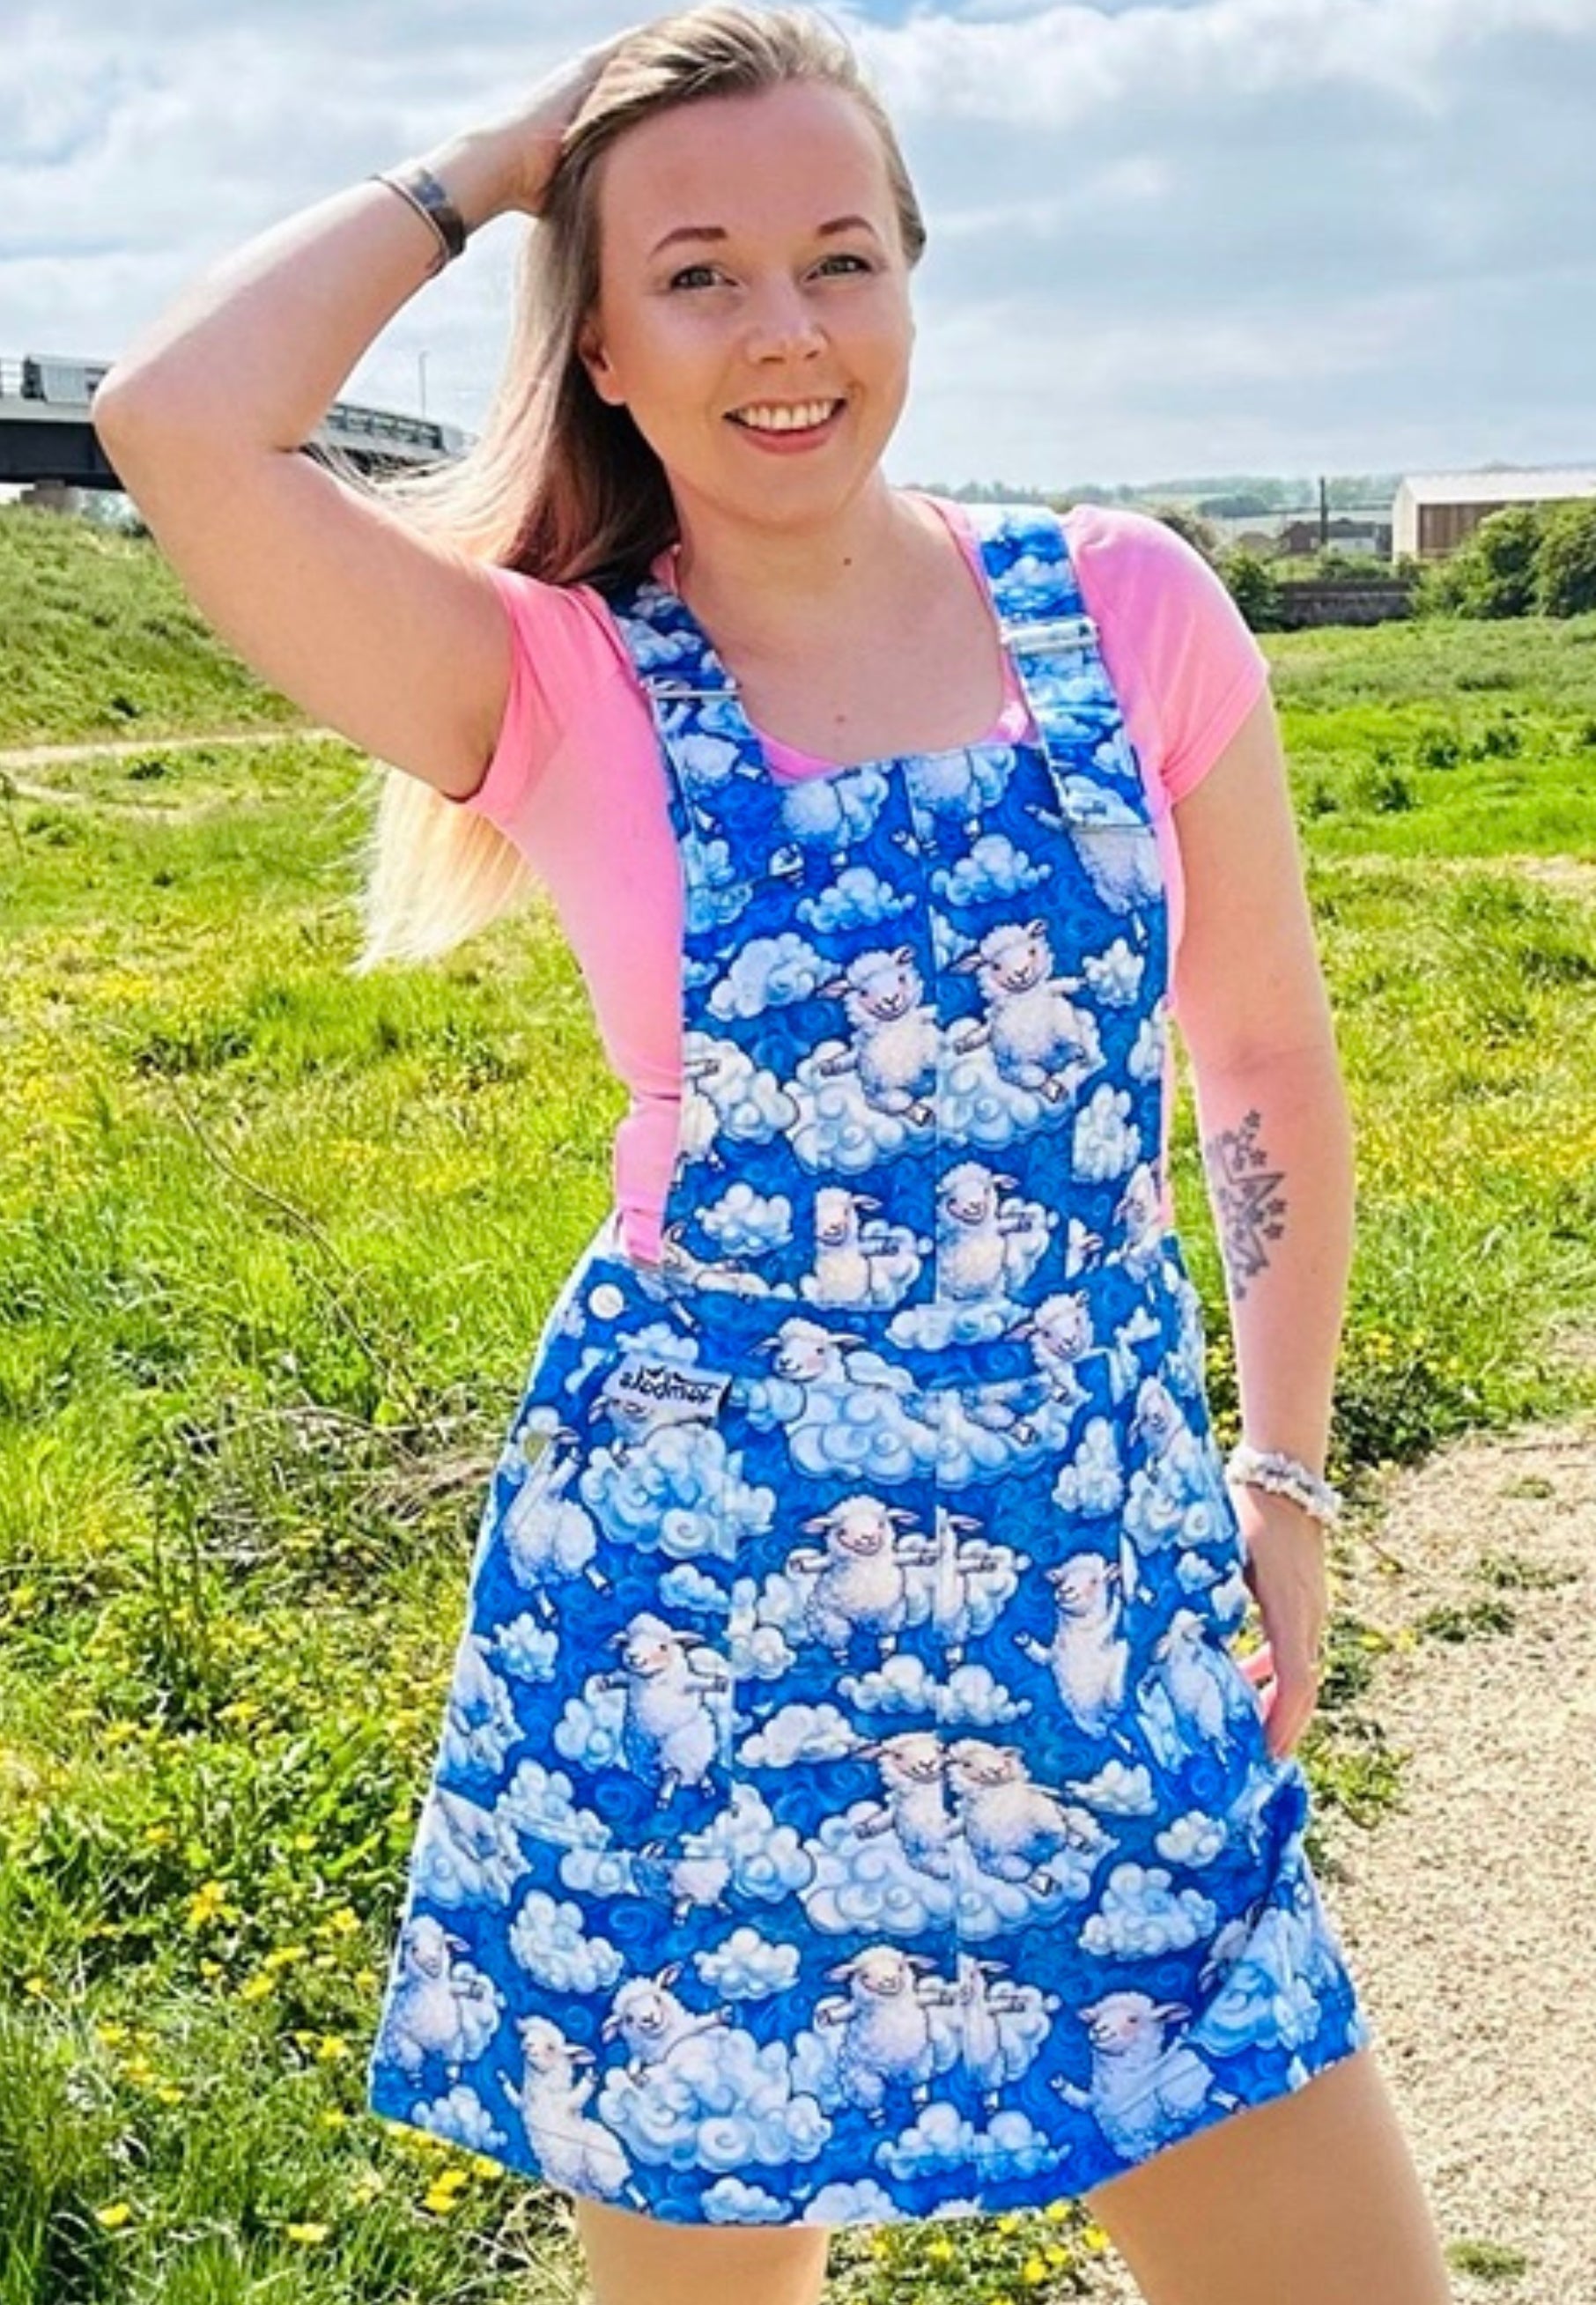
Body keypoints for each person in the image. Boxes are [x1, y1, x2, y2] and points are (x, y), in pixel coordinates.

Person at [92, 8, 1456, 2301]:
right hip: (696, 1606)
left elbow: (1258, 1064)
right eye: (697, 273)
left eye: (838, 256)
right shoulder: (550, 677)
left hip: (1097, 1576)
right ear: (600, 344)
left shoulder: (1125, 610)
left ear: (914, 281)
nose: (785, 330)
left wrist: (1285, 1472)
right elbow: (172, 425)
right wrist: (504, 162)